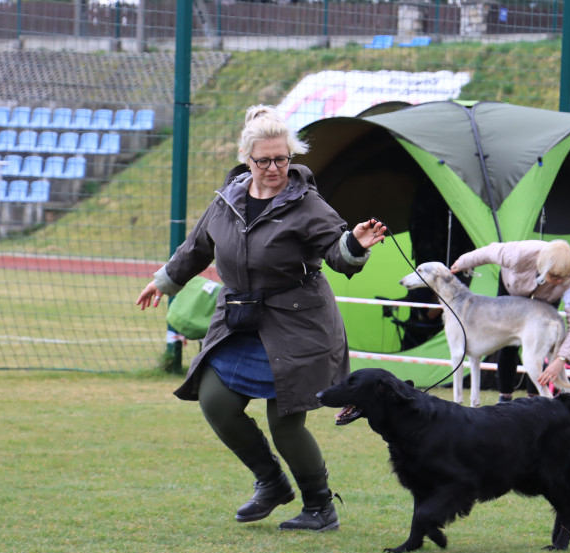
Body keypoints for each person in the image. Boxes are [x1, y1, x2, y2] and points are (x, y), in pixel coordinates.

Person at [136, 104, 387, 529]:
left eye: (283, 158)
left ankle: (319, 507)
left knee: (286, 423)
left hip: (299, 325)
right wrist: (164, 281)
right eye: (264, 160)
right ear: (246, 158)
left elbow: (337, 254)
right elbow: (199, 245)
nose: (275, 168)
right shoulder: (228, 199)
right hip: (240, 319)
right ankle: (271, 483)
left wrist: (355, 245)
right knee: (216, 401)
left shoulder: (308, 205)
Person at [450, 239, 570, 401]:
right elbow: (489, 252)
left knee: (539, 349)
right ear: (544, 268)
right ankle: (505, 398)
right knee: (507, 346)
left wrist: (561, 359)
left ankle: (535, 399)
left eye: (563, 278)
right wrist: (463, 262)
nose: (560, 282)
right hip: (511, 290)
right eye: (555, 277)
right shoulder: (517, 254)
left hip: (545, 300)